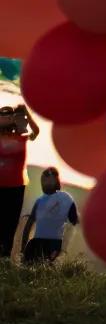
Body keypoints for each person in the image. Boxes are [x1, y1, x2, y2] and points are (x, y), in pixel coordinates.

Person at [0, 101, 39, 260]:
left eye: (8, 116)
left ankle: (4, 258)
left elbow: (36, 131)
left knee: (10, 224)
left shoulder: (21, 137)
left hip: (16, 186)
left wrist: (26, 112)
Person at [21, 167, 78, 263]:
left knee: (42, 267)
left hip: (53, 243)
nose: (45, 183)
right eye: (43, 180)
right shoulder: (40, 201)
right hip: (39, 243)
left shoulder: (65, 198)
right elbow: (28, 225)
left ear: (56, 181)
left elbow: (74, 220)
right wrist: (23, 247)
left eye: (48, 181)